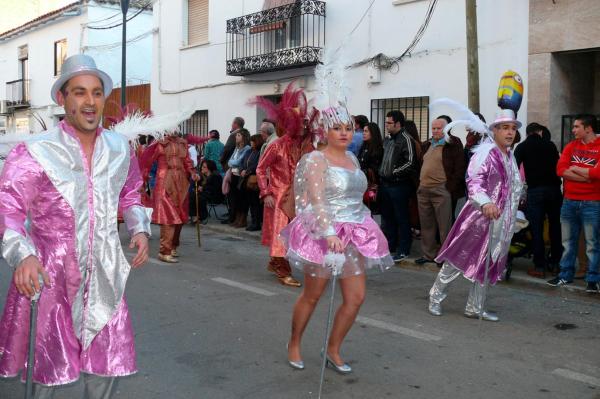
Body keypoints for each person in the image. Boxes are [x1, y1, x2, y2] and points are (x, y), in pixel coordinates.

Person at [0, 54, 150, 398]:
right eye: (80, 92)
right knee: (48, 371)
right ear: (62, 98)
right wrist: (22, 255)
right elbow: (8, 207)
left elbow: (130, 192)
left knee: (105, 364)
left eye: (96, 93)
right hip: (51, 275)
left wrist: (139, 228)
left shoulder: (119, 148)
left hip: (105, 273)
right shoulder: (35, 151)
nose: (90, 101)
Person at [282, 107, 392, 375]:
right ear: (325, 131)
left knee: (356, 298)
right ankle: (294, 342)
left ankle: (332, 349)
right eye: (337, 128)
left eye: (348, 128)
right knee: (313, 295)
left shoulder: (353, 158)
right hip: (324, 233)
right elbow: (316, 199)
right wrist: (329, 232)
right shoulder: (316, 159)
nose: (344, 133)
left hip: (355, 232)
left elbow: (356, 196)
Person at [428, 109, 524, 321]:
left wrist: (515, 212)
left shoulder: (510, 156)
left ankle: (475, 306)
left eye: (513, 129)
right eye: (505, 128)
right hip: (477, 219)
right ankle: (435, 296)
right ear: (495, 131)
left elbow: (514, 188)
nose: (510, 133)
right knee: (456, 259)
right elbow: (474, 182)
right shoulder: (485, 153)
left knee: (488, 263)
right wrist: (486, 202)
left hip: (501, 222)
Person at [255, 83, 315, 287]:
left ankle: (275, 262)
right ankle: (283, 270)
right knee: (281, 234)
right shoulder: (277, 145)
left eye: (303, 123)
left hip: (299, 197)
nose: (302, 127)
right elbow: (260, 169)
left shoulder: (306, 146)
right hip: (279, 198)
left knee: (296, 233)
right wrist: (266, 193)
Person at [548, 114, 600, 293]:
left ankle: (593, 279)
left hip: (593, 203)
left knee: (593, 243)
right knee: (568, 242)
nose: (573, 130)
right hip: (569, 201)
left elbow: (598, 174)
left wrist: (576, 169)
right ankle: (565, 275)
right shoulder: (571, 146)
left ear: (589, 128)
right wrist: (586, 176)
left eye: (577, 126)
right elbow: (560, 170)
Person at [142, 133, 200, 263]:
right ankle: (164, 251)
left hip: (181, 182)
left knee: (180, 215)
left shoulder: (182, 143)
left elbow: (187, 161)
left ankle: (173, 247)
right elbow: (147, 161)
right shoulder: (158, 144)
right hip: (164, 181)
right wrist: (143, 177)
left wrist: (193, 173)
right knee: (168, 216)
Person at [415, 117, 466, 265]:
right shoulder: (427, 144)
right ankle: (428, 255)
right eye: (434, 128)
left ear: (446, 129)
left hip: (442, 189)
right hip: (424, 189)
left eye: (439, 128)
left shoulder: (453, 143)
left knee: (445, 226)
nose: (435, 131)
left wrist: (450, 187)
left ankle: (445, 256)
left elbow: (459, 167)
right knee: (426, 225)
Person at [514, 122, 562, 278]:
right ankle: (555, 263)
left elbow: (514, 169)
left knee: (537, 229)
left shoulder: (521, 147)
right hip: (554, 190)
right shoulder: (550, 145)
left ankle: (539, 266)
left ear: (528, 133)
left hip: (535, 191)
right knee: (555, 227)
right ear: (539, 132)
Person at [378, 110, 418, 261]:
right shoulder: (388, 140)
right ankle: (391, 246)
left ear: (398, 124)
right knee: (388, 218)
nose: (386, 125)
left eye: (389, 123)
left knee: (402, 218)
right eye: (386, 122)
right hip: (385, 185)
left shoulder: (406, 139)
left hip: (399, 185)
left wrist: (393, 173)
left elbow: (410, 162)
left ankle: (404, 249)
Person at [226, 129, 251, 228]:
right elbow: (230, 161)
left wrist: (232, 162)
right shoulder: (236, 148)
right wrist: (232, 162)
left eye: (239, 135)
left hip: (240, 176)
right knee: (235, 198)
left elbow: (238, 162)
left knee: (242, 198)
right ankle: (237, 219)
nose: (236, 137)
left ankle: (242, 220)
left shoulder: (247, 148)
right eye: (236, 135)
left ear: (244, 137)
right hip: (233, 175)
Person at [241, 134, 265, 231]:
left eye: (253, 141)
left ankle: (257, 223)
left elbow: (258, 164)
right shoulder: (249, 151)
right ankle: (254, 221)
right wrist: (242, 169)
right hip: (246, 179)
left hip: (254, 180)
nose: (251, 143)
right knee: (250, 202)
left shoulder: (260, 152)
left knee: (256, 202)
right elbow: (243, 162)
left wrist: (248, 171)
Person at [357, 122, 383, 211]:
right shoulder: (364, 146)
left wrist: (364, 171)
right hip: (362, 184)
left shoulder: (378, 149)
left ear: (373, 132)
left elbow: (376, 168)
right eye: (363, 131)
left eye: (366, 131)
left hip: (371, 184)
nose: (363, 133)